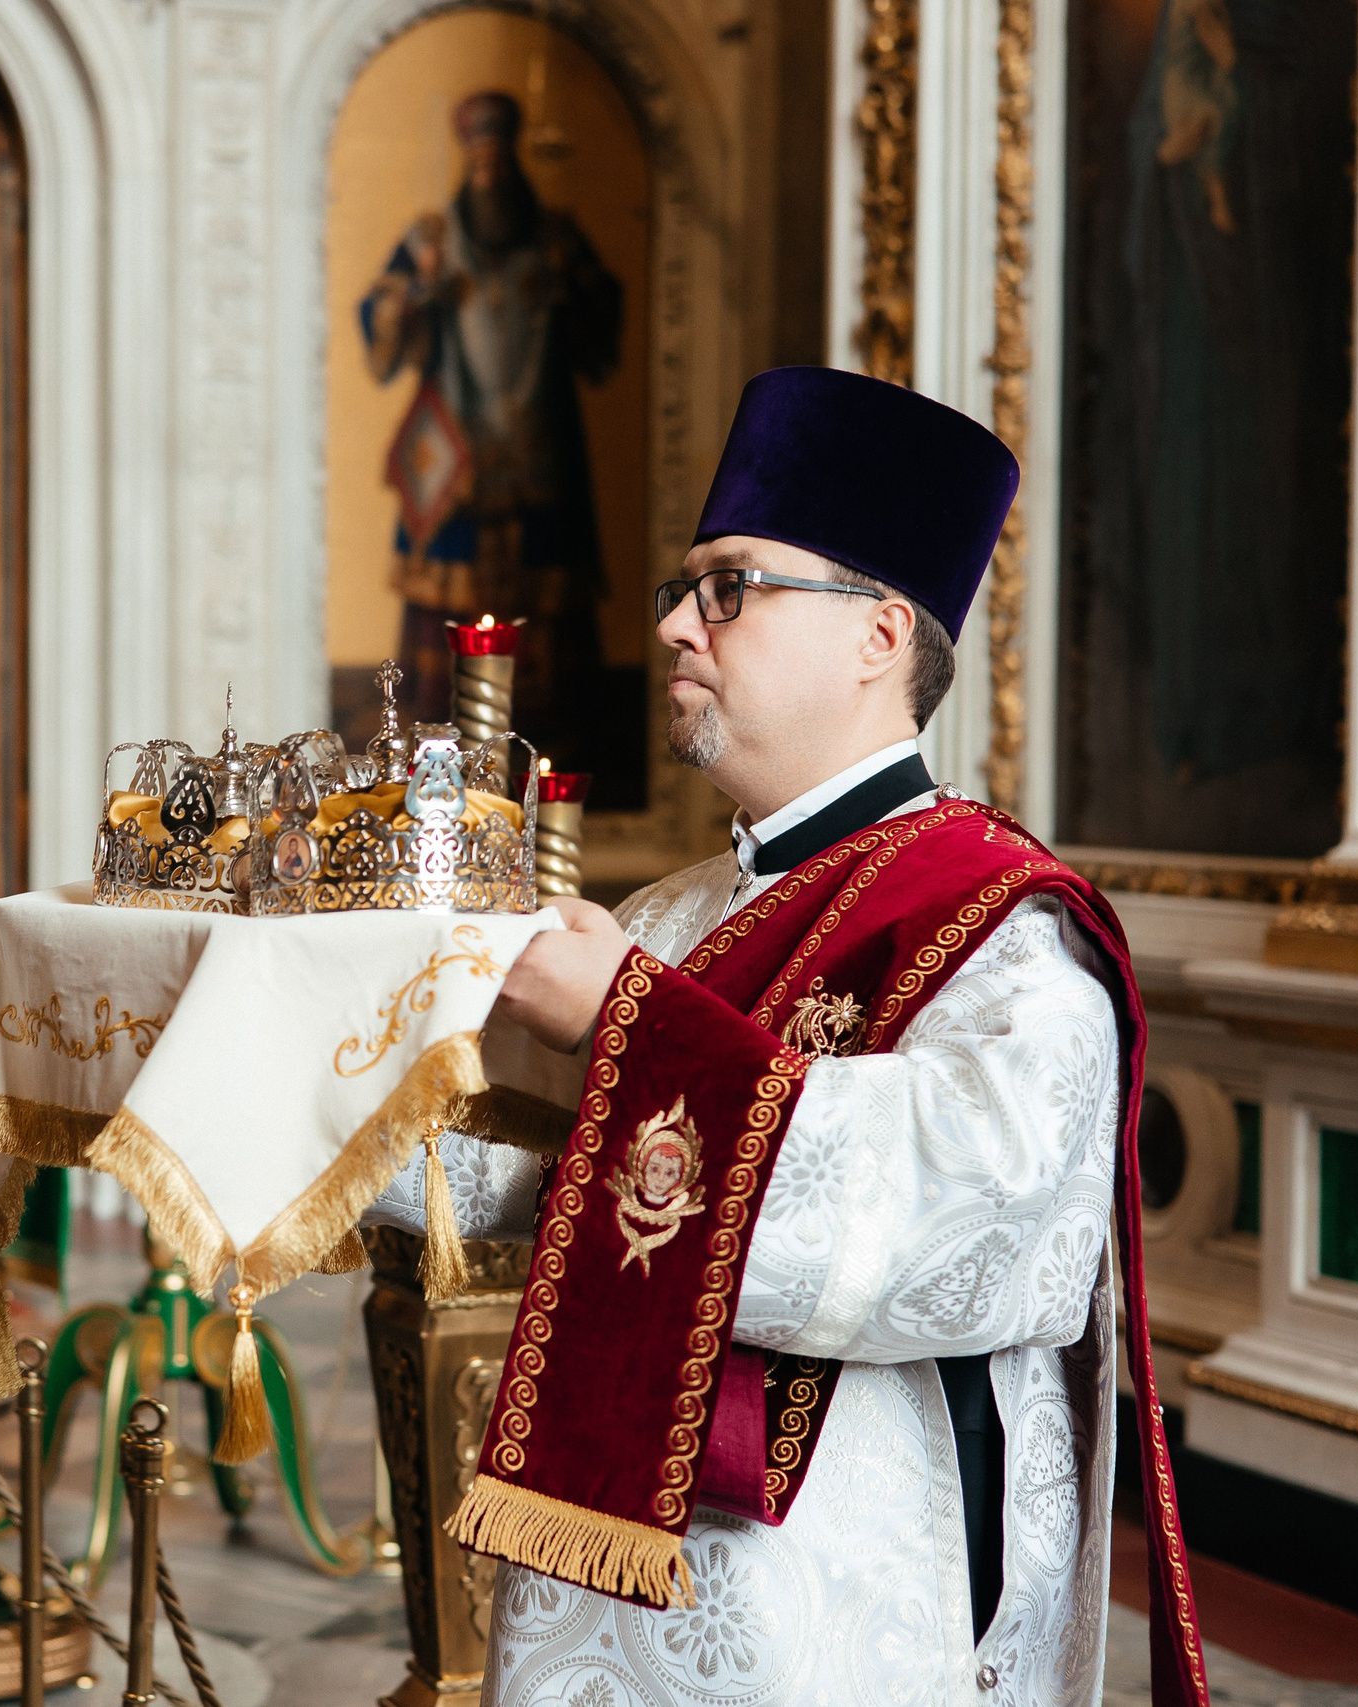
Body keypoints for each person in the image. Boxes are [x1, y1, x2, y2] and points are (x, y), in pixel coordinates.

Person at [365, 367, 1208, 1707]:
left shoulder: (1006, 926)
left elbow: (979, 1227)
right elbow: (529, 1179)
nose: (677, 623)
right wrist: (314, 1064)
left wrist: (628, 1022)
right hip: (605, 1577)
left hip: (844, 1596)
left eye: (730, 587)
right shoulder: (667, 912)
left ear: (879, 633)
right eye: (685, 588)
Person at [360, 89, 622, 772]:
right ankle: (437, 749)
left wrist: (570, 288)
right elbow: (378, 318)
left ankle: (548, 757)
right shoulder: (432, 241)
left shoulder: (555, 237)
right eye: (479, 165)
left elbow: (603, 327)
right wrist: (418, 291)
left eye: (500, 163)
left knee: (548, 607)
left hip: (539, 446)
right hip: (457, 456)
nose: (490, 176)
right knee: (444, 610)